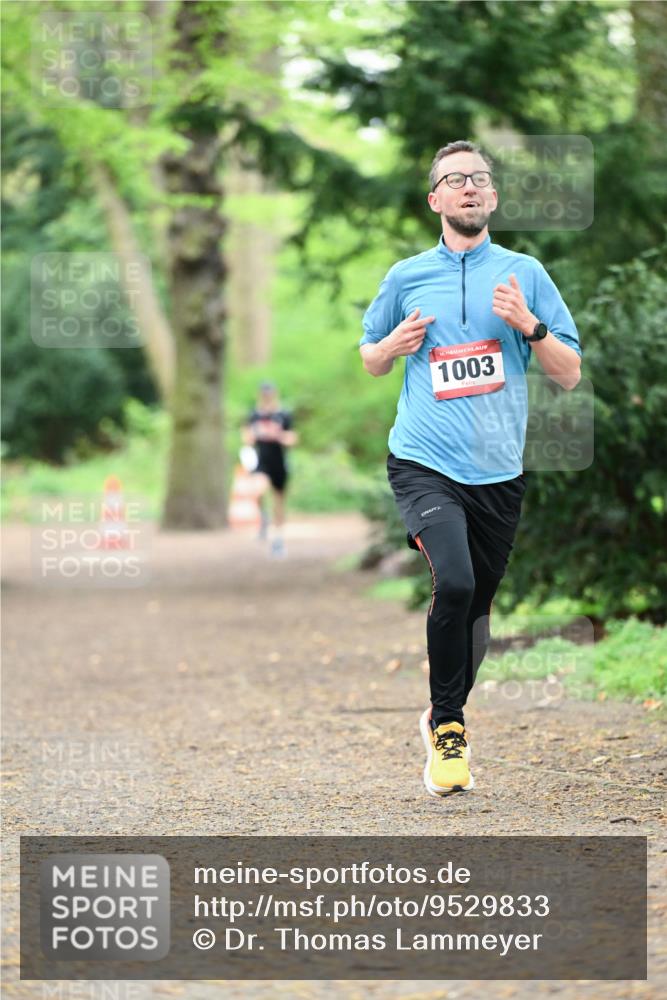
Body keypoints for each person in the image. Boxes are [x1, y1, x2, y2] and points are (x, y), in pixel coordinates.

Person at [359, 140, 582, 797]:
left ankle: (437, 710)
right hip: (423, 461)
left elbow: (568, 375)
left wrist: (531, 327)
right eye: (454, 180)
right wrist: (391, 347)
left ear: (491, 197)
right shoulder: (405, 277)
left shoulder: (523, 273)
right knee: (452, 583)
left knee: (477, 606)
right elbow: (369, 357)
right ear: (435, 199)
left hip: (497, 472)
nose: (469, 188)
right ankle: (451, 729)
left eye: (479, 180)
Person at [242, 382, 297, 557]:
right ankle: (263, 519)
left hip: (279, 462)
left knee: (278, 502)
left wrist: (277, 435)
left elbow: (292, 439)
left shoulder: (283, 414)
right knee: (258, 490)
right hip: (261, 462)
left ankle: (278, 540)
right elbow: (247, 438)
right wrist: (258, 433)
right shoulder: (254, 415)